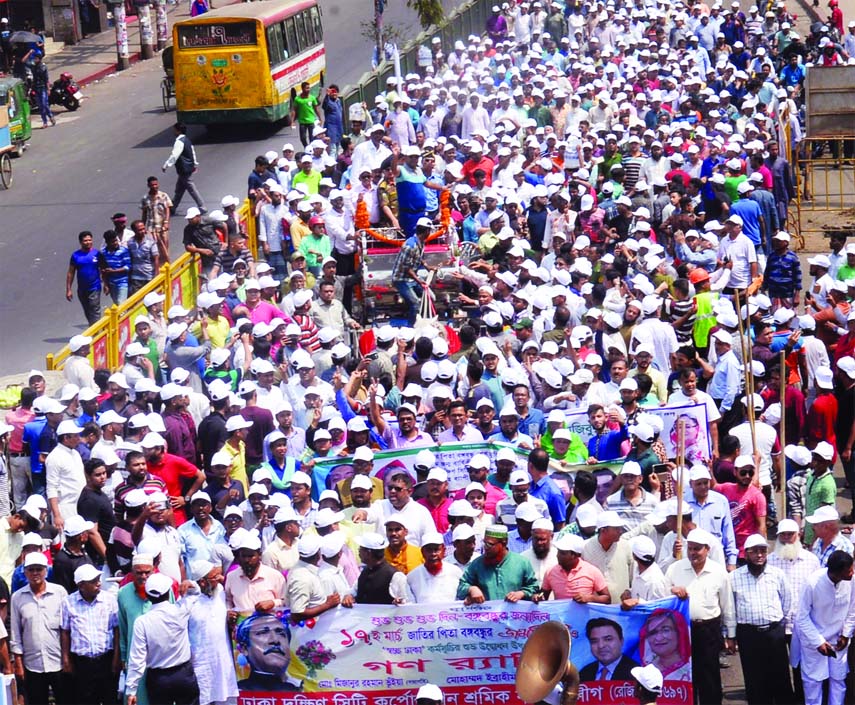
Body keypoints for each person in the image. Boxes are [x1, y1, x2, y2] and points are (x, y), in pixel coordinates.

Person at [665, 528, 735, 705]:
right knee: (685, 676)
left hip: (708, 631)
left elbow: (728, 606)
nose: (693, 553)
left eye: (697, 549)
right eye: (690, 548)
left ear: (707, 550)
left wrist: (731, 636)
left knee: (709, 677)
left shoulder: (718, 572)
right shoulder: (675, 569)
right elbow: (661, 594)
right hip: (681, 630)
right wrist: (672, 590)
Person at [727, 534, 794, 705]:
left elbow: (787, 601)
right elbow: (730, 608)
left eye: (763, 551)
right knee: (754, 680)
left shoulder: (777, 574)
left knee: (780, 678)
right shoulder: (734, 577)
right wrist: (731, 636)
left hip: (774, 633)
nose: (759, 555)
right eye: (754, 551)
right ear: (746, 554)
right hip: (748, 635)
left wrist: (780, 626)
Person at [125, 573, 200, 705]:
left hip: (158, 679)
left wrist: (131, 690)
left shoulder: (142, 622)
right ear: (169, 592)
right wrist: (191, 584)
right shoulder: (180, 610)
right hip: (183, 674)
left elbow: (137, 659)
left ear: (148, 596)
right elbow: (195, 594)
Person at [793, 550, 855, 705]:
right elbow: (802, 616)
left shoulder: (852, 580)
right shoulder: (812, 583)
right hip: (814, 639)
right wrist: (818, 641)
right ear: (837, 572)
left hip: (839, 639)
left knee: (838, 680)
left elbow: (853, 609)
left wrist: (846, 634)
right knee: (813, 682)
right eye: (849, 570)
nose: (852, 572)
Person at [10, 552, 68, 705]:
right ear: (25, 572)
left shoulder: (60, 593)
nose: (35, 573)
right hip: (32, 664)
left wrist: (68, 659)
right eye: (31, 569)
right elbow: (16, 634)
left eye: (39, 569)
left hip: (58, 662)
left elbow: (67, 628)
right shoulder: (17, 597)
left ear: (46, 571)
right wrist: (19, 664)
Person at [59, 564, 120, 705]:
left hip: (106, 659)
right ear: (81, 586)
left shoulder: (109, 600)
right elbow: (65, 632)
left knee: (109, 699)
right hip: (82, 663)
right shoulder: (69, 603)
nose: (98, 583)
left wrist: (116, 658)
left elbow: (116, 630)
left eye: (98, 579)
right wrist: (66, 660)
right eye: (93, 581)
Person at [185, 561, 240, 705]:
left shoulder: (221, 593)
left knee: (226, 696)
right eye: (214, 577)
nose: (220, 578)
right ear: (202, 582)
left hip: (223, 661)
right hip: (201, 663)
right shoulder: (189, 602)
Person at [456, 525, 539, 604]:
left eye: (490, 544)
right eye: (484, 543)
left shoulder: (522, 562)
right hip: (487, 616)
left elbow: (534, 588)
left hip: (514, 616)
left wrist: (521, 593)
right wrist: (471, 589)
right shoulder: (478, 564)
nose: (485, 548)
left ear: (504, 542)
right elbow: (461, 587)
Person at [390, 218, 436, 325]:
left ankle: (426, 322)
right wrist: (420, 281)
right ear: (426, 231)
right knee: (415, 303)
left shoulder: (421, 243)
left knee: (431, 298)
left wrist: (427, 267)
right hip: (401, 280)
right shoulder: (410, 246)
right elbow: (407, 268)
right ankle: (412, 327)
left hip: (412, 279)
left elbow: (419, 258)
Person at [162, 122, 205, 215]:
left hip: (184, 169)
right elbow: (192, 153)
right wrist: (194, 164)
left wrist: (166, 165)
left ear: (178, 130)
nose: (173, 131)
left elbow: (175, 155)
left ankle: (202, 207)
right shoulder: (187, 140)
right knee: (179, 189)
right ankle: (173, 207)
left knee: (191, 189)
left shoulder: (179, 141)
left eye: (174, 129)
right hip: (187, 168)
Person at [637, 609, 692, 681]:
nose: (659, 638)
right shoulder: (645, 670)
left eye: (666, 630)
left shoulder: (691, 668)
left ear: (679, 633)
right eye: (653, 632)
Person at [66, 231, 102, 325]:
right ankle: (93, 329)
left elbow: (104, 269)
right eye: (85, 240)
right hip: (82, 290)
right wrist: (69, 289)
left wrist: (106, 284)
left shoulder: (97, 254)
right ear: (80, 242)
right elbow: (71, 272)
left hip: (95, 287)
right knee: (87, 311)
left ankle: (97, 333)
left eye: (90, 240)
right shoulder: (75, 256)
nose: (88, 242)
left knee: (94, 308)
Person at [291, 82, 321, 148]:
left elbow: (316, 109)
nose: (308, 89)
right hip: (302, 122)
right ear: (302, 89)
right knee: (303, 138)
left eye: (309, 88)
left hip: (311, 122)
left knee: (312, 138)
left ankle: (312, 149)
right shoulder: (297, 99)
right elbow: (294, 110)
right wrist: (292, 121)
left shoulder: (312, 98)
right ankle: (307, 148)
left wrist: (320, 118)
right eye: (307, 88)